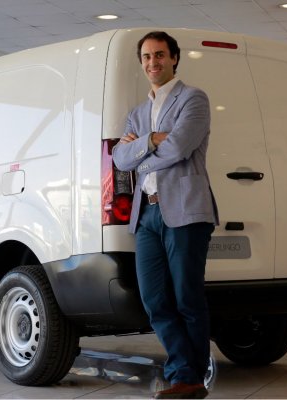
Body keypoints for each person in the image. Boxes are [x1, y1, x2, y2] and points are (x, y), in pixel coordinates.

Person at [112, 31, 219, 399]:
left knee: (187, 296)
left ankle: (188, 377)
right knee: (154, 299)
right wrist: (151, 140)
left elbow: (179, 148)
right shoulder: (138, 114)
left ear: (174, 58)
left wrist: (143, 152)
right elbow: (119, 158)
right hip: (148, 215)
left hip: (187, 211)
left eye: (159, 55)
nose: (152, 63)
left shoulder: (194, 99)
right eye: (146, 57)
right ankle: (184, 372)